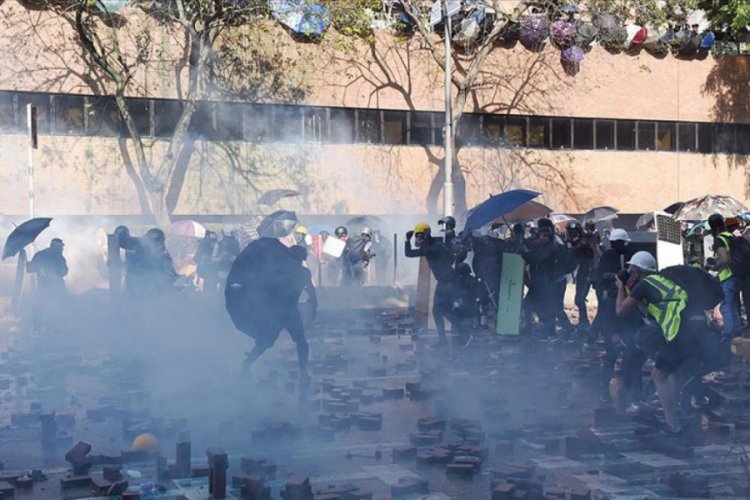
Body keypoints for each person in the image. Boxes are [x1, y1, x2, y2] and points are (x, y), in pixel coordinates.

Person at [615, 251, 716, 436]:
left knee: (658, 374)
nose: (629, 273)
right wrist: (633, 291)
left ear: (638, 271)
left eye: (631, 270)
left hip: (682, 331)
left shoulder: (645, 284)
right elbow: (647, 312)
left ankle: (673, 426)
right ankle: (675, 418)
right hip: (700, 327)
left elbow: (620, 310)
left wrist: (621, 287)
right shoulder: (663, 280)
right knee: (673, 371)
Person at [225, 211, 315, 383]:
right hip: (283, 309)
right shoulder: (296, 267)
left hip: (281, 309)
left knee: (270, 341)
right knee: (285, 341)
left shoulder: (284, 262)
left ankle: (248, 363)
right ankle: (302, 373)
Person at [405, 223, 455, 346]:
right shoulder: (431, 246)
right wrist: (407, 240)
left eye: (419, 236)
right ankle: (457, 331)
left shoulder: (436, 247)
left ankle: (455, 332)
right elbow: (409, 253)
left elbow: (427, 250)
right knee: (442, 311)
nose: (417, 239)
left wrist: (424, 240)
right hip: (444, 282)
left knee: (438, 311)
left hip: (448, 282)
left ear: (426, 235)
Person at [708, 213, 742, 337]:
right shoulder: (730, 236)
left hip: (727, 276)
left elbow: (724, 259)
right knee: (733, 304)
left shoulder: (719, 239)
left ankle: (729, 332)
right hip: (737, 274)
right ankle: (737, 329)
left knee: (726, 306)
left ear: (714, 228)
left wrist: (714, 266)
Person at [27, 238, 68, 331]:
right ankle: (69, 325)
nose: (62, 249)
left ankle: (36, 328)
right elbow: (64, 272)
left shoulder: (40, 255)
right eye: (61, 246)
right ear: (57, 247)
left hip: (44, 286)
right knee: (66, 306)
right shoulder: (59, 257)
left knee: (38, 308)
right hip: (55, 286)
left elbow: (30, 269)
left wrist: (30, 264)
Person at [567, 221, 595, 331]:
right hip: (582, 272)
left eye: (573, 233)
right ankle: (583, 321)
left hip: (588, 272)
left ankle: (585, 323)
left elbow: (576, 252)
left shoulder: (583, 243)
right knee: (578, 298)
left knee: (579, 299)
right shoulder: (579, 242)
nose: (571, 235)